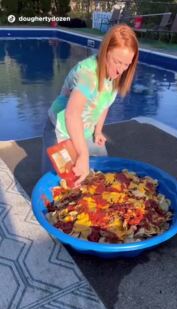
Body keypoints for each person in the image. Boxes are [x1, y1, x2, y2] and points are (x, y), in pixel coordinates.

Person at [42, 24, 139, 187]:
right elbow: (72, 115)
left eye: (126, 64)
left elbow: (104, 104)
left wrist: (98, 130)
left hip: (84, 131)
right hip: (61, 130)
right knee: (64, 184)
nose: (121, 70)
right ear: (105, 51)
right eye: (118, 62)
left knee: (102, 174)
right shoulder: (87, 75)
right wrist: (83, 154)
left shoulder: (113, 74)